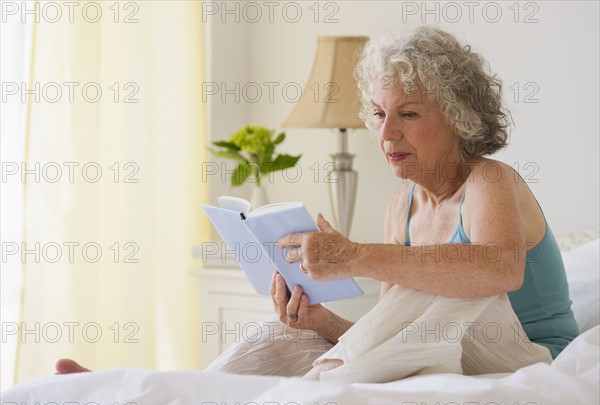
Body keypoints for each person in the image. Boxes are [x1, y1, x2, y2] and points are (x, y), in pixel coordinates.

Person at [57, 26, 579, 382]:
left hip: (526, 363)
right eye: (377, 113)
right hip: (440, 358)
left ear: (459, 116)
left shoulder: (489, 180)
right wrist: (321, 323)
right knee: (279, 340)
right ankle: (148, 398)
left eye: (410, 114)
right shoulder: (404, 207)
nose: (386, 134)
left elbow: (499, 271)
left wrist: (352, 256)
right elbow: (391, 337)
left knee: (453, 290)